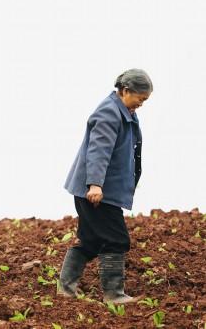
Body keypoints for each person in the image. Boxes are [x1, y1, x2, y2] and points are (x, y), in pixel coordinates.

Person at [59, 69, 153, 303]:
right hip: (96, 192)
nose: (142, 103)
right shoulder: (110, 112)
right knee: (116, 239)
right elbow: (98, 151)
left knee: (91, 241)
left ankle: (65, 289)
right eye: (140, 98)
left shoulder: (125, 110)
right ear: (126, 91)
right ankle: (113, 294)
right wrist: (94, 184)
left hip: (103, 191)